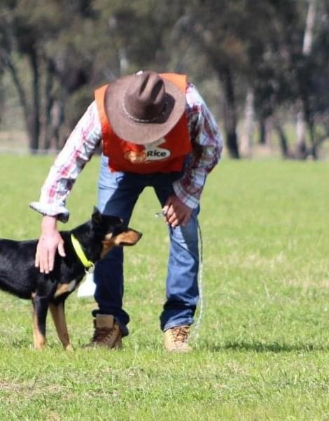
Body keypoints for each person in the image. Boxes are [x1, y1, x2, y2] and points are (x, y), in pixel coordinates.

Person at [30, 70, 223, 352]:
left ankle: (177, 326)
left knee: (185, 236)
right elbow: (67, 163)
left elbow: (211, 147)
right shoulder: (101, 109)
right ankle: (109, 326)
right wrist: (49, 224)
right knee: (103, 242)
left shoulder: (191, 102)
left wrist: (185, 197)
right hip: (120, 170)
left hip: (173, 170)